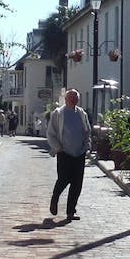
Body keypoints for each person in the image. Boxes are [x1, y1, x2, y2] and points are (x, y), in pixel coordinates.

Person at [46, 89, 91, 220]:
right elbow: (51, 133)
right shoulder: (58, 114)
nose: (73, 101)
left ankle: (71, 211)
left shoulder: (81, 114)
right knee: (63, 180)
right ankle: (55, 198)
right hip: (64, 152)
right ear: (66, 100)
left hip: (79, 153)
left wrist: (87, 146)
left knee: (77, 184)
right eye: (71, 98)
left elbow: (87, 131)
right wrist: (57, 148)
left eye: (76, 99)